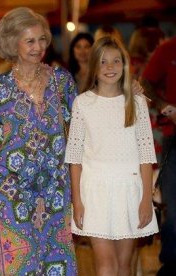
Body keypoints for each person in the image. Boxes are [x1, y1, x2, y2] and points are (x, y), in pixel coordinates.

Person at [0, 7, 77, 275]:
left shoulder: (62, 81)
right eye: (30, 40)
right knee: (19, 263)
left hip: (56, 189)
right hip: (11, 192)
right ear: (13, 44)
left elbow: (80, 130)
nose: (38, 47)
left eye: (42, 39)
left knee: (56, 260)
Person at [65, 36, 158, 275]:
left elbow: (146, 155)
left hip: (130, 191)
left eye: (116, 61)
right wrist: (77, 200)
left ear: (124, 66)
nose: (110, 67)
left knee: (124, 264)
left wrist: (146, 198)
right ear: (94, 66)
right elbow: (74, 158)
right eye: (103, 62)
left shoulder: (136, 103)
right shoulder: (82, 103)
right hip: (94, 192)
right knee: (105, 265)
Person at [141, 36, 176, 275]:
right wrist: (164, 106)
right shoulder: (168, 48)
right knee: (173, 208)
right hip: (174, 136)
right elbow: (146, 84)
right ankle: (171, 265)